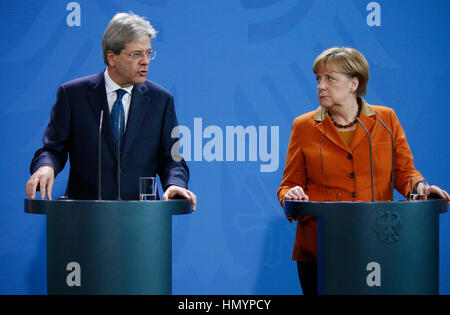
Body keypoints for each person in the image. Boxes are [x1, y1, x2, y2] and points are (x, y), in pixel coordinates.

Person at [277, 47, 449, 295]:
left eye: (330, 78)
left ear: (353, 84)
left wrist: (421, 188)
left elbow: (404, 173)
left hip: (376, 246)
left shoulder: (385, 120)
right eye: (318, 79)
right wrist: (291, 193)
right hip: (321, 248)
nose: (321, 86)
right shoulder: (304, 126)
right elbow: (287, 185)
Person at [26, 12, 196, 209]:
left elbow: (171, 158)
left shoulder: (161, 100)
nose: (145, 61)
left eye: (148, 53)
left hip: (142, 221)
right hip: (85, 219)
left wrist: (175, 183)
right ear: (111, 57)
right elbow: (52, 150)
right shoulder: (73, 95)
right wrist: (46, 167)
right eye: (136, 54)